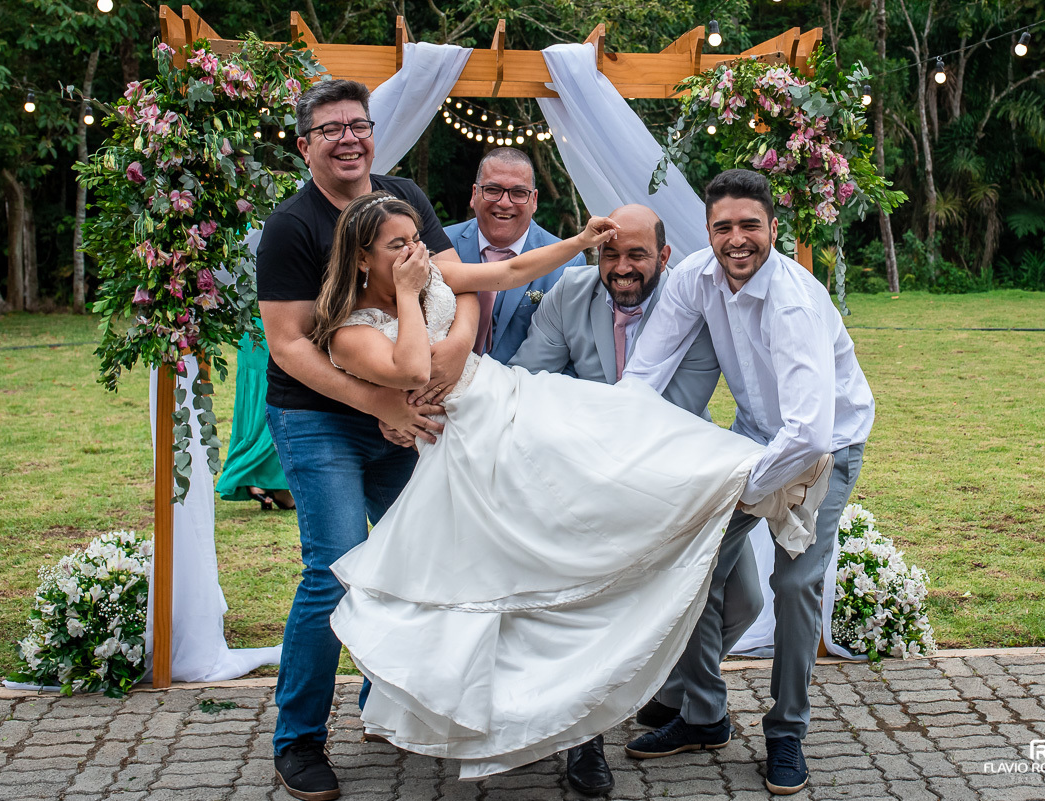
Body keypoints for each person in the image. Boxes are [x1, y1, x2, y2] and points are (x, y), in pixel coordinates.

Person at [322, 190, 831, 783]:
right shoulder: (348, 332)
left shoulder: (435, 274)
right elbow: (413, 368)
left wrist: (578, 244)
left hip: (509, 398)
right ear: (361, 259)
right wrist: (414, 300)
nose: (416, 252)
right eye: (398, 245)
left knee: (613, 539)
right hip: (469, 443)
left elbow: (505, 273)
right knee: (523, 579)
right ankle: (562, 723)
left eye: (416, 239)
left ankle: (765, 484)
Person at [256, 79, 477, 801]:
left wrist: (456, 351)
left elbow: (457, 281)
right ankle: (299, 741)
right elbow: (288, 347)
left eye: (358, 124)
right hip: (319, 417)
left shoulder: (403, 194)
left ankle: (385, 703)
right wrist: (380, 400)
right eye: (330, 129)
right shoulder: (291, 227)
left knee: (424, 557)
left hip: (404, 411)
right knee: (337, 567)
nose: (348, 137)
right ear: (305, 145)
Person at [622, 169, 875, 796]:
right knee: (694, 563)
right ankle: (704, 715)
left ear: (773, 228)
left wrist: (740, 487)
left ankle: (787, 730)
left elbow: (810, 435)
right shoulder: (693, 279)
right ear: (708, 229)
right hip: (757, 437)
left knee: (794, 583)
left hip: (827, 448)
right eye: (723, 227)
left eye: (750, 226)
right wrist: (609, 439)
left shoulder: (793, 301)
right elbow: (644, 373)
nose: (737, 240)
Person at [508, 204, 765, 796]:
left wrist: (580, 410)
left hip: (673, 474)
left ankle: (665, 692)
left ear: (664, 257)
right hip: (582, 480)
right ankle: (583, 737)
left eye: (636, 255)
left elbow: (676, 404)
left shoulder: (694, 308)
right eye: (610, 254)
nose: (621, 268)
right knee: (586, 608)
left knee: (741, 602)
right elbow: (530, 377)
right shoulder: (569, 294)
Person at [445, 147, 585, 362]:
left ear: (534, 200)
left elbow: (572, 352)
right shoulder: (441, 245)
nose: (504, 202)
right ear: (474, 194)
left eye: (519, 193)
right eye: (492, 189)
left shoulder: (567, 263)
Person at [214, 319, 295, 511]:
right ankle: (263, 478)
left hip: (253, 314)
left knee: (261, 392)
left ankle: (263, 481)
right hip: (268, 315)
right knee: (273, 386)